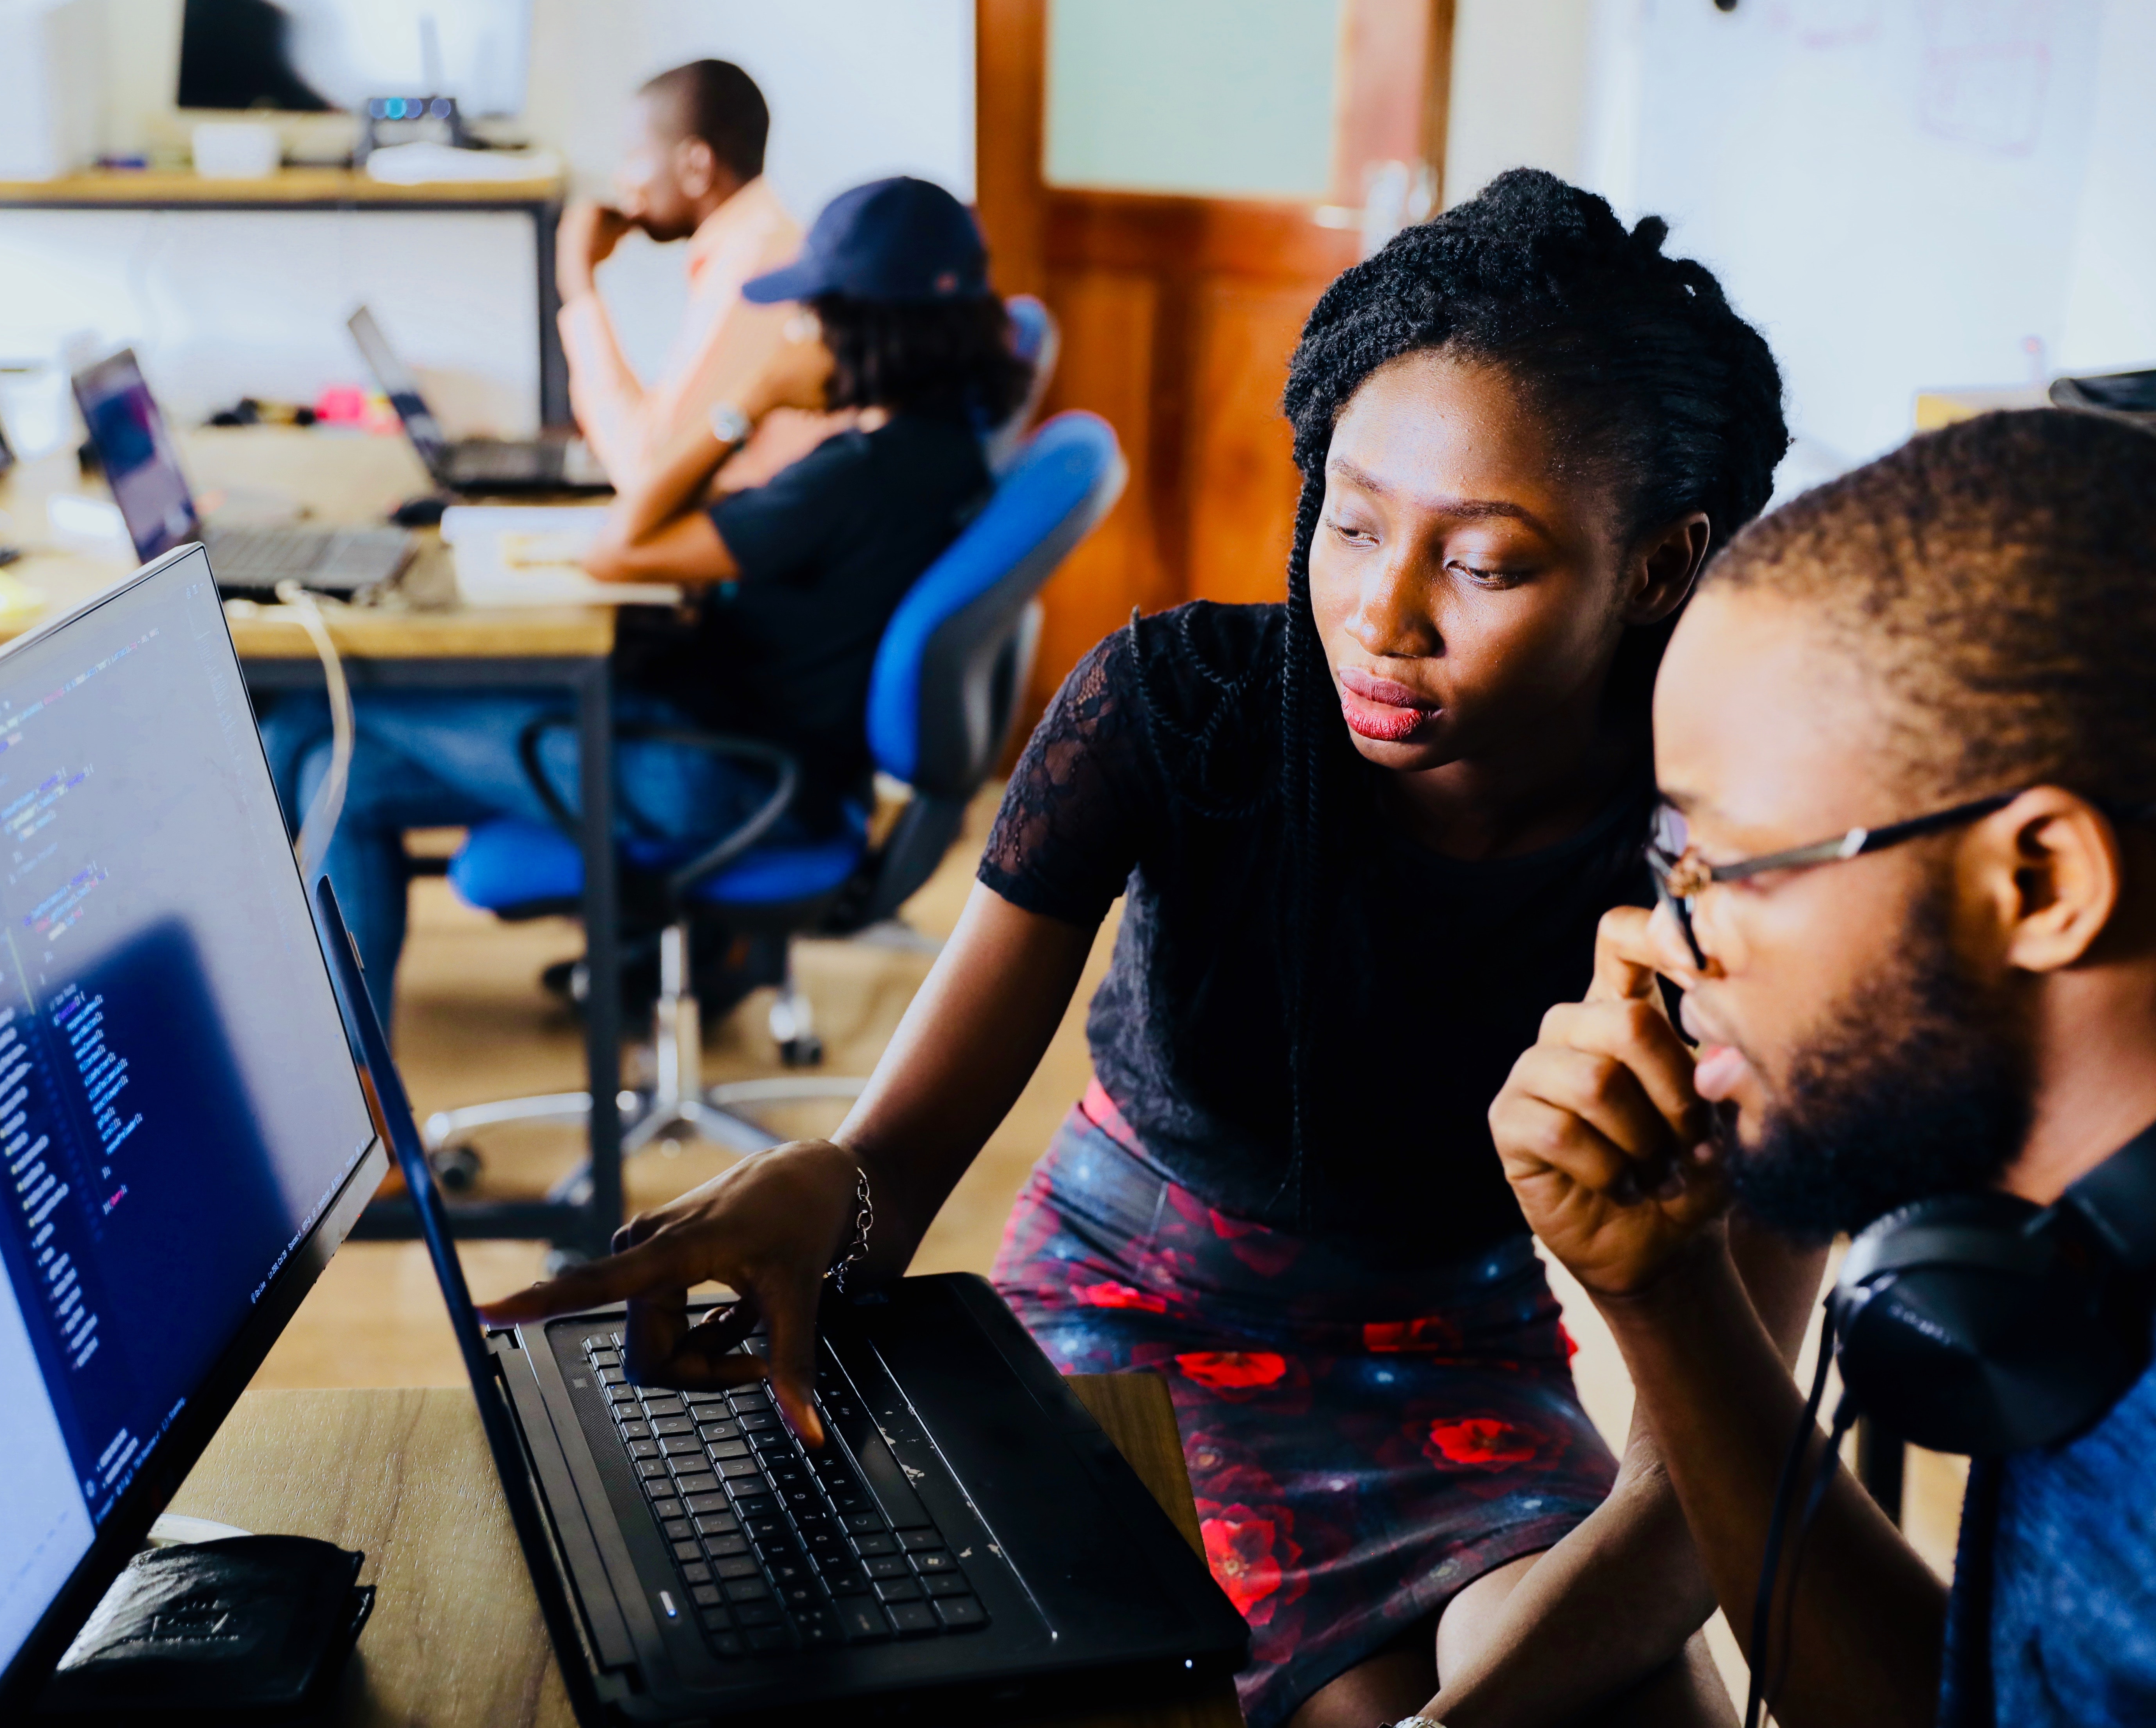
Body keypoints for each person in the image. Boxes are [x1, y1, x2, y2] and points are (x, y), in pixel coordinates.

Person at [485, 169, 1804, 1726]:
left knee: (1647, 1708)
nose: (1379, 614)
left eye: (1484, 563)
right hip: (1120, 1328)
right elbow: (895, 1160)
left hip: (1456, 1372)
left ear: (1658, 565)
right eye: (1354, 520)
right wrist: (819, 1189)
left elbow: (1714, 1478)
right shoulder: (1178, 713)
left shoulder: (1734, 866)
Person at [1490, 408, 2156, 1728]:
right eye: (1666, 859)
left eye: (1723, 868)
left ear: (2039, 884)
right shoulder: (2059, 1265)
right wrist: (1668, 1297)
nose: (1654, 940)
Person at [270, 177, 1029, 1029]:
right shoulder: (944, 450)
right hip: (755, 753)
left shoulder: (856, 478)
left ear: (864, 327)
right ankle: (366, 1097)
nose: (793, 332)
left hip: (718, 777)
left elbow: (619, 546)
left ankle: (322, 1073)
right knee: (340, 771)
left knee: (312, 725)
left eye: (809, 314)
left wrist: (747, 402)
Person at [557, 57, 846, 496]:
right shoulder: (754, 243)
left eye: (635, 157)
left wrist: (578, 286)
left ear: (697, 166)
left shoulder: (753, 266)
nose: (622, 180)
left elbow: (649, 471)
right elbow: (663, 433)